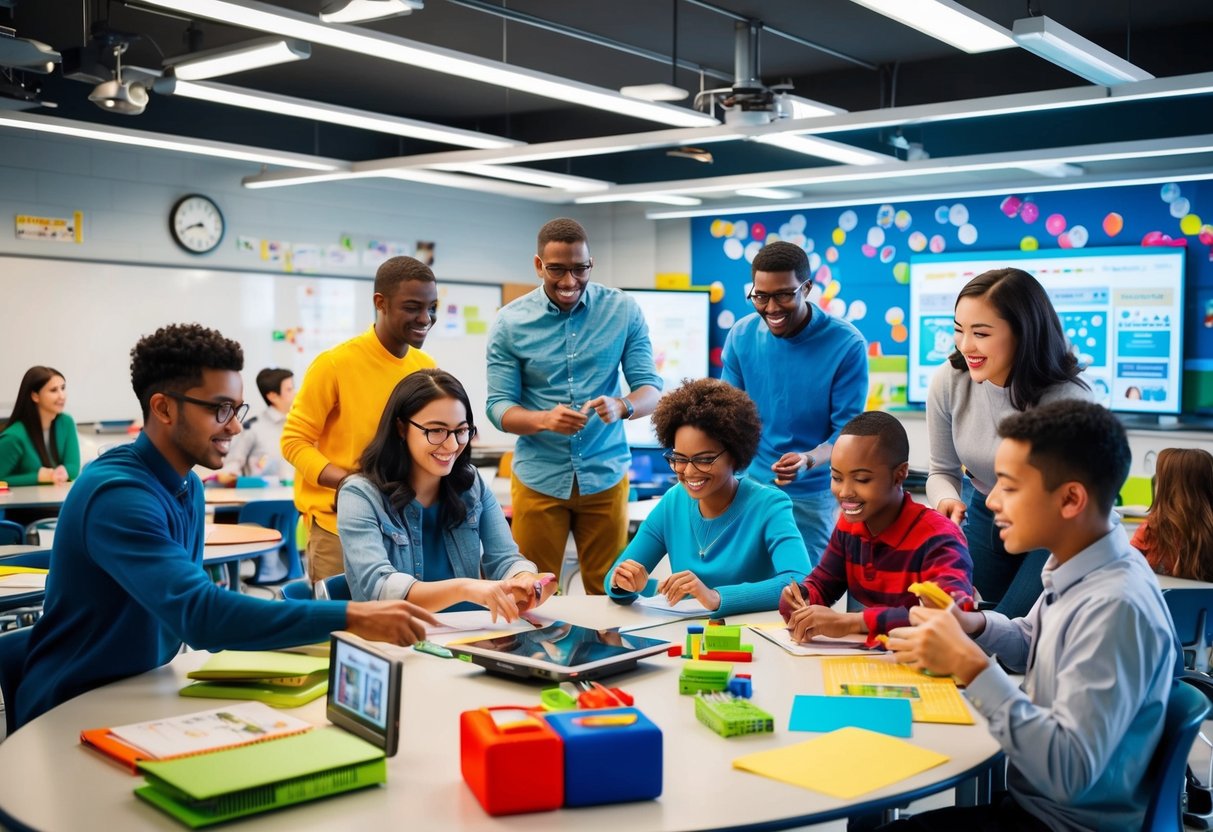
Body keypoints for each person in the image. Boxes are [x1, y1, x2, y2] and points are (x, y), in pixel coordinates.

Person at [15, 324, 438, 729]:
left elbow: (200, 619)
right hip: (73, 705)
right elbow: (201, 616)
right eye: (220, 409)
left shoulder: (188, 486)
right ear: (163, 407)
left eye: (237, 410)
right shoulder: (118, 496)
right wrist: (353, 616)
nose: (235, 426)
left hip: (144, 688)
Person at [883, 400, 1178, 831]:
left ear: (1071, 499)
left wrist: (970, 665)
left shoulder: (1114, 608)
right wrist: (975, 625)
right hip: (1035, 806)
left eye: (1008, 486)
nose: (993, 501)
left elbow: (1068, 773)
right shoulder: (1082, 563)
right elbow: (1029, 642)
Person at [486, 218, 662, 596]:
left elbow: (651, 389)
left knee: (613, 590)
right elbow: (498, 407)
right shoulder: (509, 323)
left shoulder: (623, 311)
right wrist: (544, 419)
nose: (569, 281)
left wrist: (623, 406)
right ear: (538, 266)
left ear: (591, 264)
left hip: (606, 473)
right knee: (534, 591)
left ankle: (610, 654)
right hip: (539, 479)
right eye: (557, 270)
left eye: (579, 269)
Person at [926, 267, 1091, 619]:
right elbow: (942, 470)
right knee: (966, 615)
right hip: (986, 510)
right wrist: (948, 501)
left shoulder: (1067, 401)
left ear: (1023, 333)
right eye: (959, 330)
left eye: (981, 334)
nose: (965, 346)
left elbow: (1072, 499)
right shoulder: (949, 381)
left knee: (1016, 623)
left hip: (1054, 523)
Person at [338, 369, 556, 620]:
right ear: (401, 428)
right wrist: (465, 588)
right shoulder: (359, 495)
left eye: (461, 430)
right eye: (436, 431)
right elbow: (381, 587)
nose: (452, 445)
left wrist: (523, 578)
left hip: (470, 637)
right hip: (396, 642)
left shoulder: (472, 484)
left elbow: (505, 559)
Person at [282, 256, 439, 583]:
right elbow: (294, 442)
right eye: (412, 307)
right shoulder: (335, 364)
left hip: (403, 526)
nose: (425, 318)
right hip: (337, 529)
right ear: (380, 303)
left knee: (399, 628)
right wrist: (352, 484)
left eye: (432, 307)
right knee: (339, 631)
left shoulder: (427, 368)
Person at [604, 378, 811, 616]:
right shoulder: (673, 502)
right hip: (684, 641)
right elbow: (613, 578)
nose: (689, 471)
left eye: (704, 459)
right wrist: (626, 582)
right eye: (680, 458)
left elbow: (799, 581)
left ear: (734, 455)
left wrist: (715, 597)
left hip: (749, 641)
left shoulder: (770, 505)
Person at [721, 241, 868, 565]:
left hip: (810, 494)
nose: (771, 308)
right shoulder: (741, 336)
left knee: (804, 594)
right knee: (747, 590)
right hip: (748, 489)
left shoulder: (846, 344)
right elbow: (726, 416)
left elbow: (847, 434)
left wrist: (807, 459)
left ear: (808, 288)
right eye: (761, 296)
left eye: (784, 295)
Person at [778, 411, 973, 644]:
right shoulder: (849, 527)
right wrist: (802, 597)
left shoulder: (939, 538)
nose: (845, 492)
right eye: (837, 477)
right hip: (866, 661)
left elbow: (951, 617)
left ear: (899, 475)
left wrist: (852, 622)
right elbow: (823, 583)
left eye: (861, 479)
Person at [1132, 447, 1213, 581]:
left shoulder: (1151, 530)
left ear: (1169, 489)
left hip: (1161, 601)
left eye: (1158, 478)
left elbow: (1125, 569)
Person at [0, 365, 80, 486]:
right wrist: (37, 477)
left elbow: (73, 467)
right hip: (24, 503)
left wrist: (63, 472)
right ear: (35, 396)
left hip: (56, 499)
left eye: (63, 388)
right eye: (53, 390)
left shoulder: (66, 422)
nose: (62, 396)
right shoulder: (14, 437)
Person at [216, 367, 295, 486]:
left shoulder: (297, 426)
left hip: (296, 500)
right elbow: (228, 472)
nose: (296, 393)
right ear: (272, 396)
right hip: (262, 501)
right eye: (289, 389)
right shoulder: (251, 428)